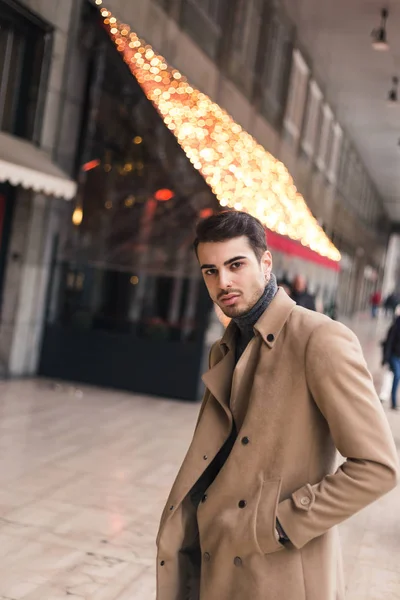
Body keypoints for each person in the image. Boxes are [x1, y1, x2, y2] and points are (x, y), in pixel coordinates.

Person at [156, 211, 398, 600]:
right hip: (218, 560)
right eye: (210, 271)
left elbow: (378, 467)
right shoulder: (228, 344)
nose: (224, 282)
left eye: (236, 265)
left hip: (276, 573)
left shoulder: (320, 339)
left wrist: (277, 525)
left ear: (266, 263)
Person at [382, 311, 400, 410]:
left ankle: (391, 400)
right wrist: (385, 358)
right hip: (394, 356)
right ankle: (393, 402)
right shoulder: (395, 326)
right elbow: (389, 342)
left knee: (395, 376)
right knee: (396, 375)